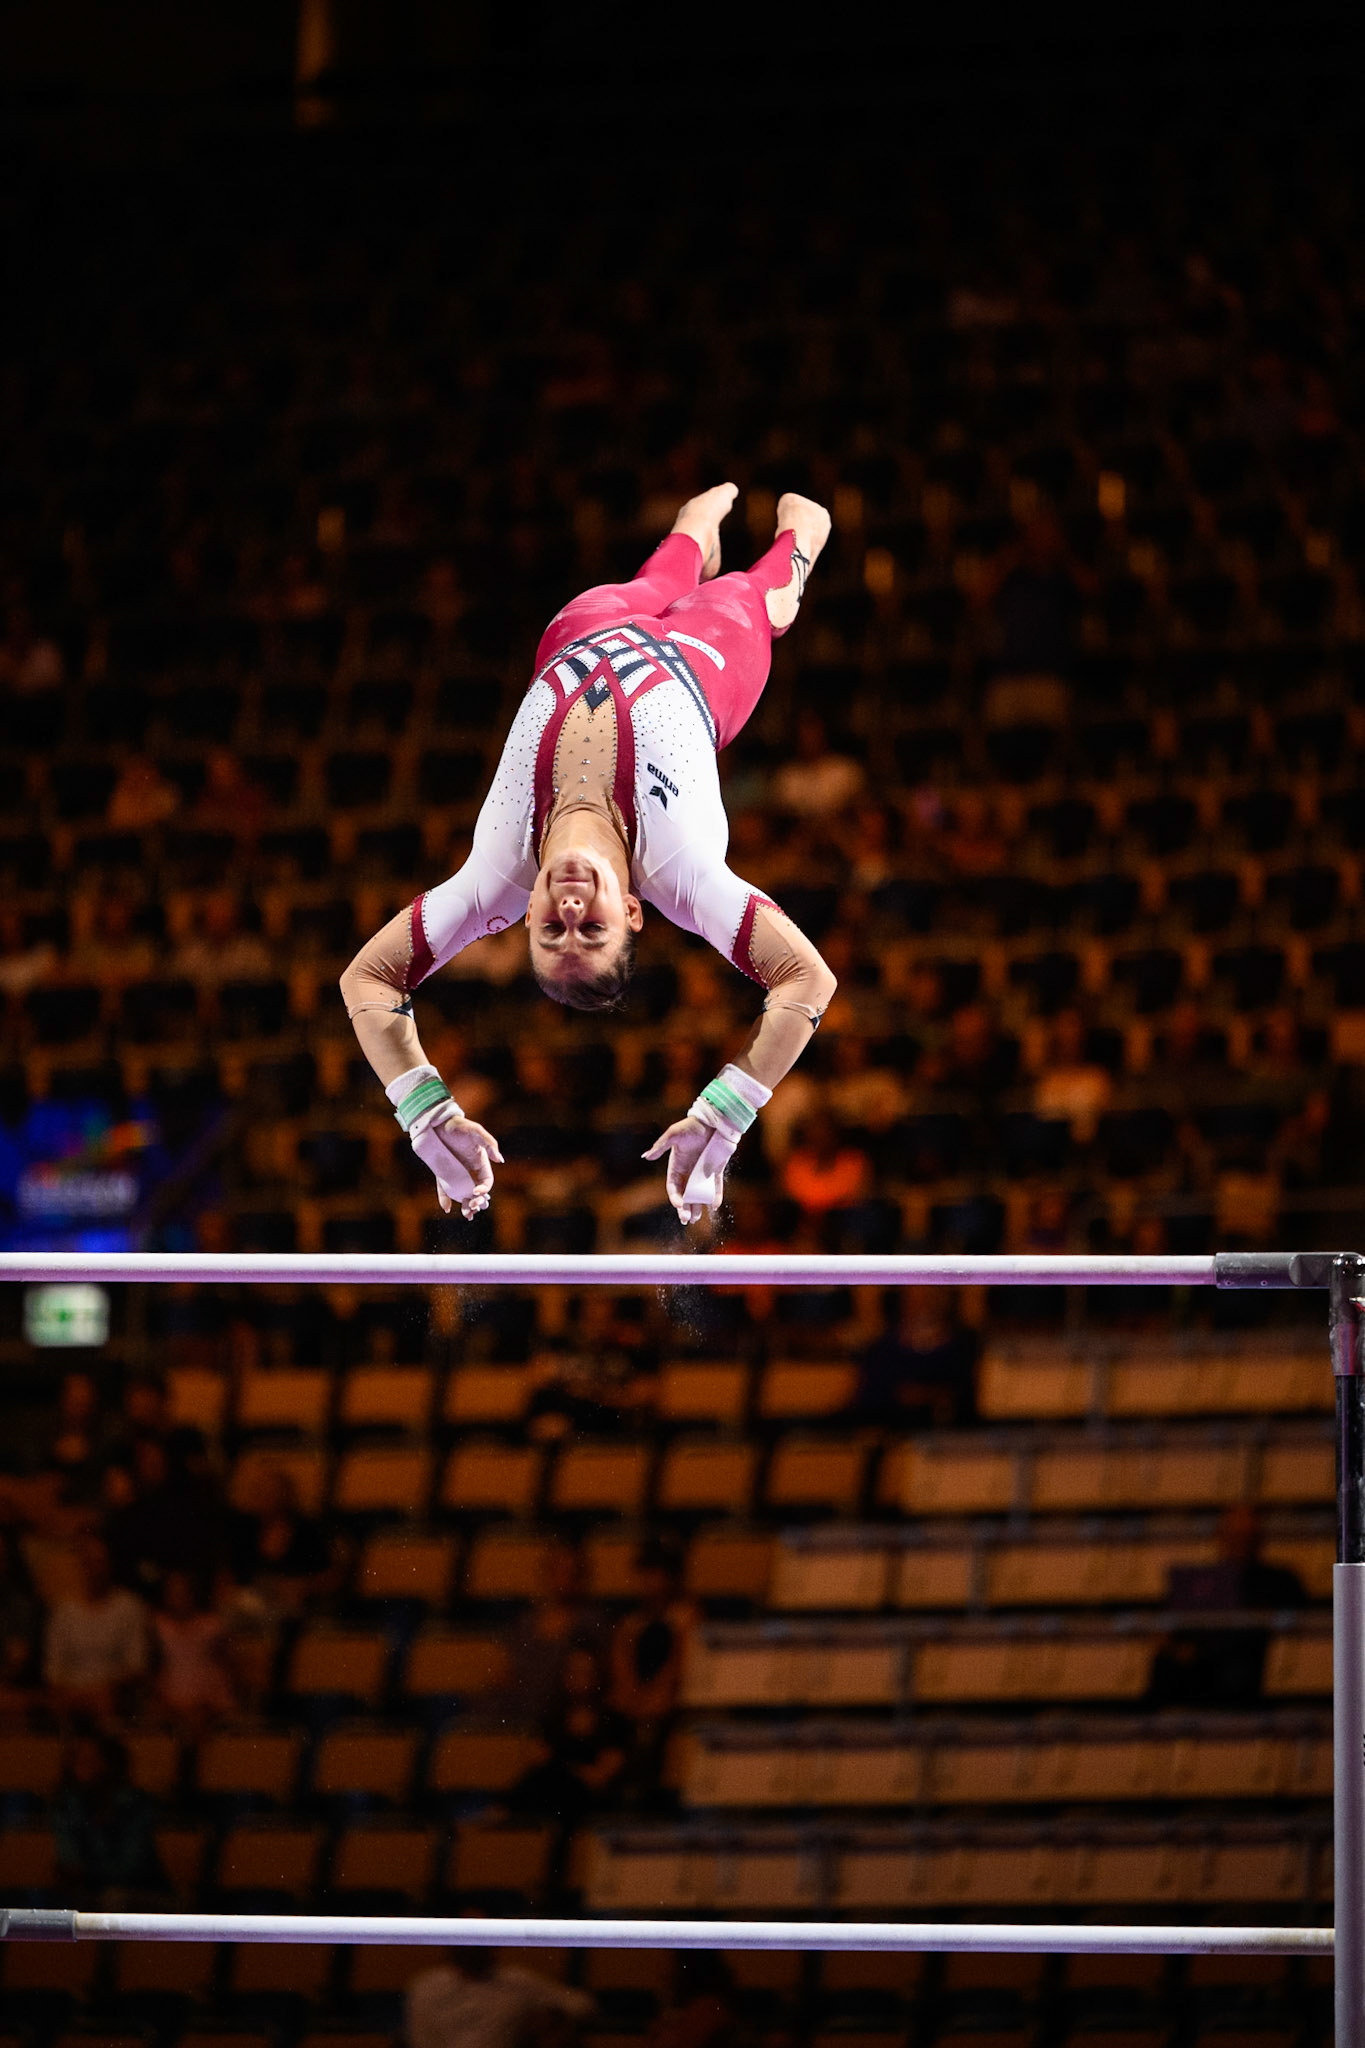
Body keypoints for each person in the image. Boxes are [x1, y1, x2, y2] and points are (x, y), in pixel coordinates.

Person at [341, 485, 836, 1228]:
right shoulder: (681, 873)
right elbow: (806, 978)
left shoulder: (493, 881)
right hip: (711, 662)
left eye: (552, 931)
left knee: (659, 573)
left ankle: (693, 532)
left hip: (576, 637)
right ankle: (785, 541)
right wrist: (728, 1113)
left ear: (523, 919)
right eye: (593, 930)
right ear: (634, 911)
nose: (570, 912)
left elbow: (367, 981)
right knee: (771, 577)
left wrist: (423, 1110)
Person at [52, 1727, 167, 1906]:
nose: (79, 1766)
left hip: (140, 1892)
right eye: (76, 1759)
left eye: (89, 1760)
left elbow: (132, 1866)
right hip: (87, 1892)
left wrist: (86, 1871)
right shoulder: (68, 1804)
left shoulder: (134, 1803)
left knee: (113, 1898)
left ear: (108, 1763)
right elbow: (68, 1861)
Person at [43, 1535, 148, 1720]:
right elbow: (54, 1667)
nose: (94, 1570)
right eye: (89, 1563)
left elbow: (136, 1664)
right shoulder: (64, 1612)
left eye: (99, 1562)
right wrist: (73, 1693)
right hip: (72, 1695)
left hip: (113, 1695)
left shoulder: (129, 1607)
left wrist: (104, 1689)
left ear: (110, 1565)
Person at [407, 1944, 593, 2048]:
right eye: (465, 1936)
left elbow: (581, 2004)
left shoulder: (518, 1981)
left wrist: (551, 2018)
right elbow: (419, 2039)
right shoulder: (427, 1985)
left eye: (479, 1939)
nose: (471, 1946)